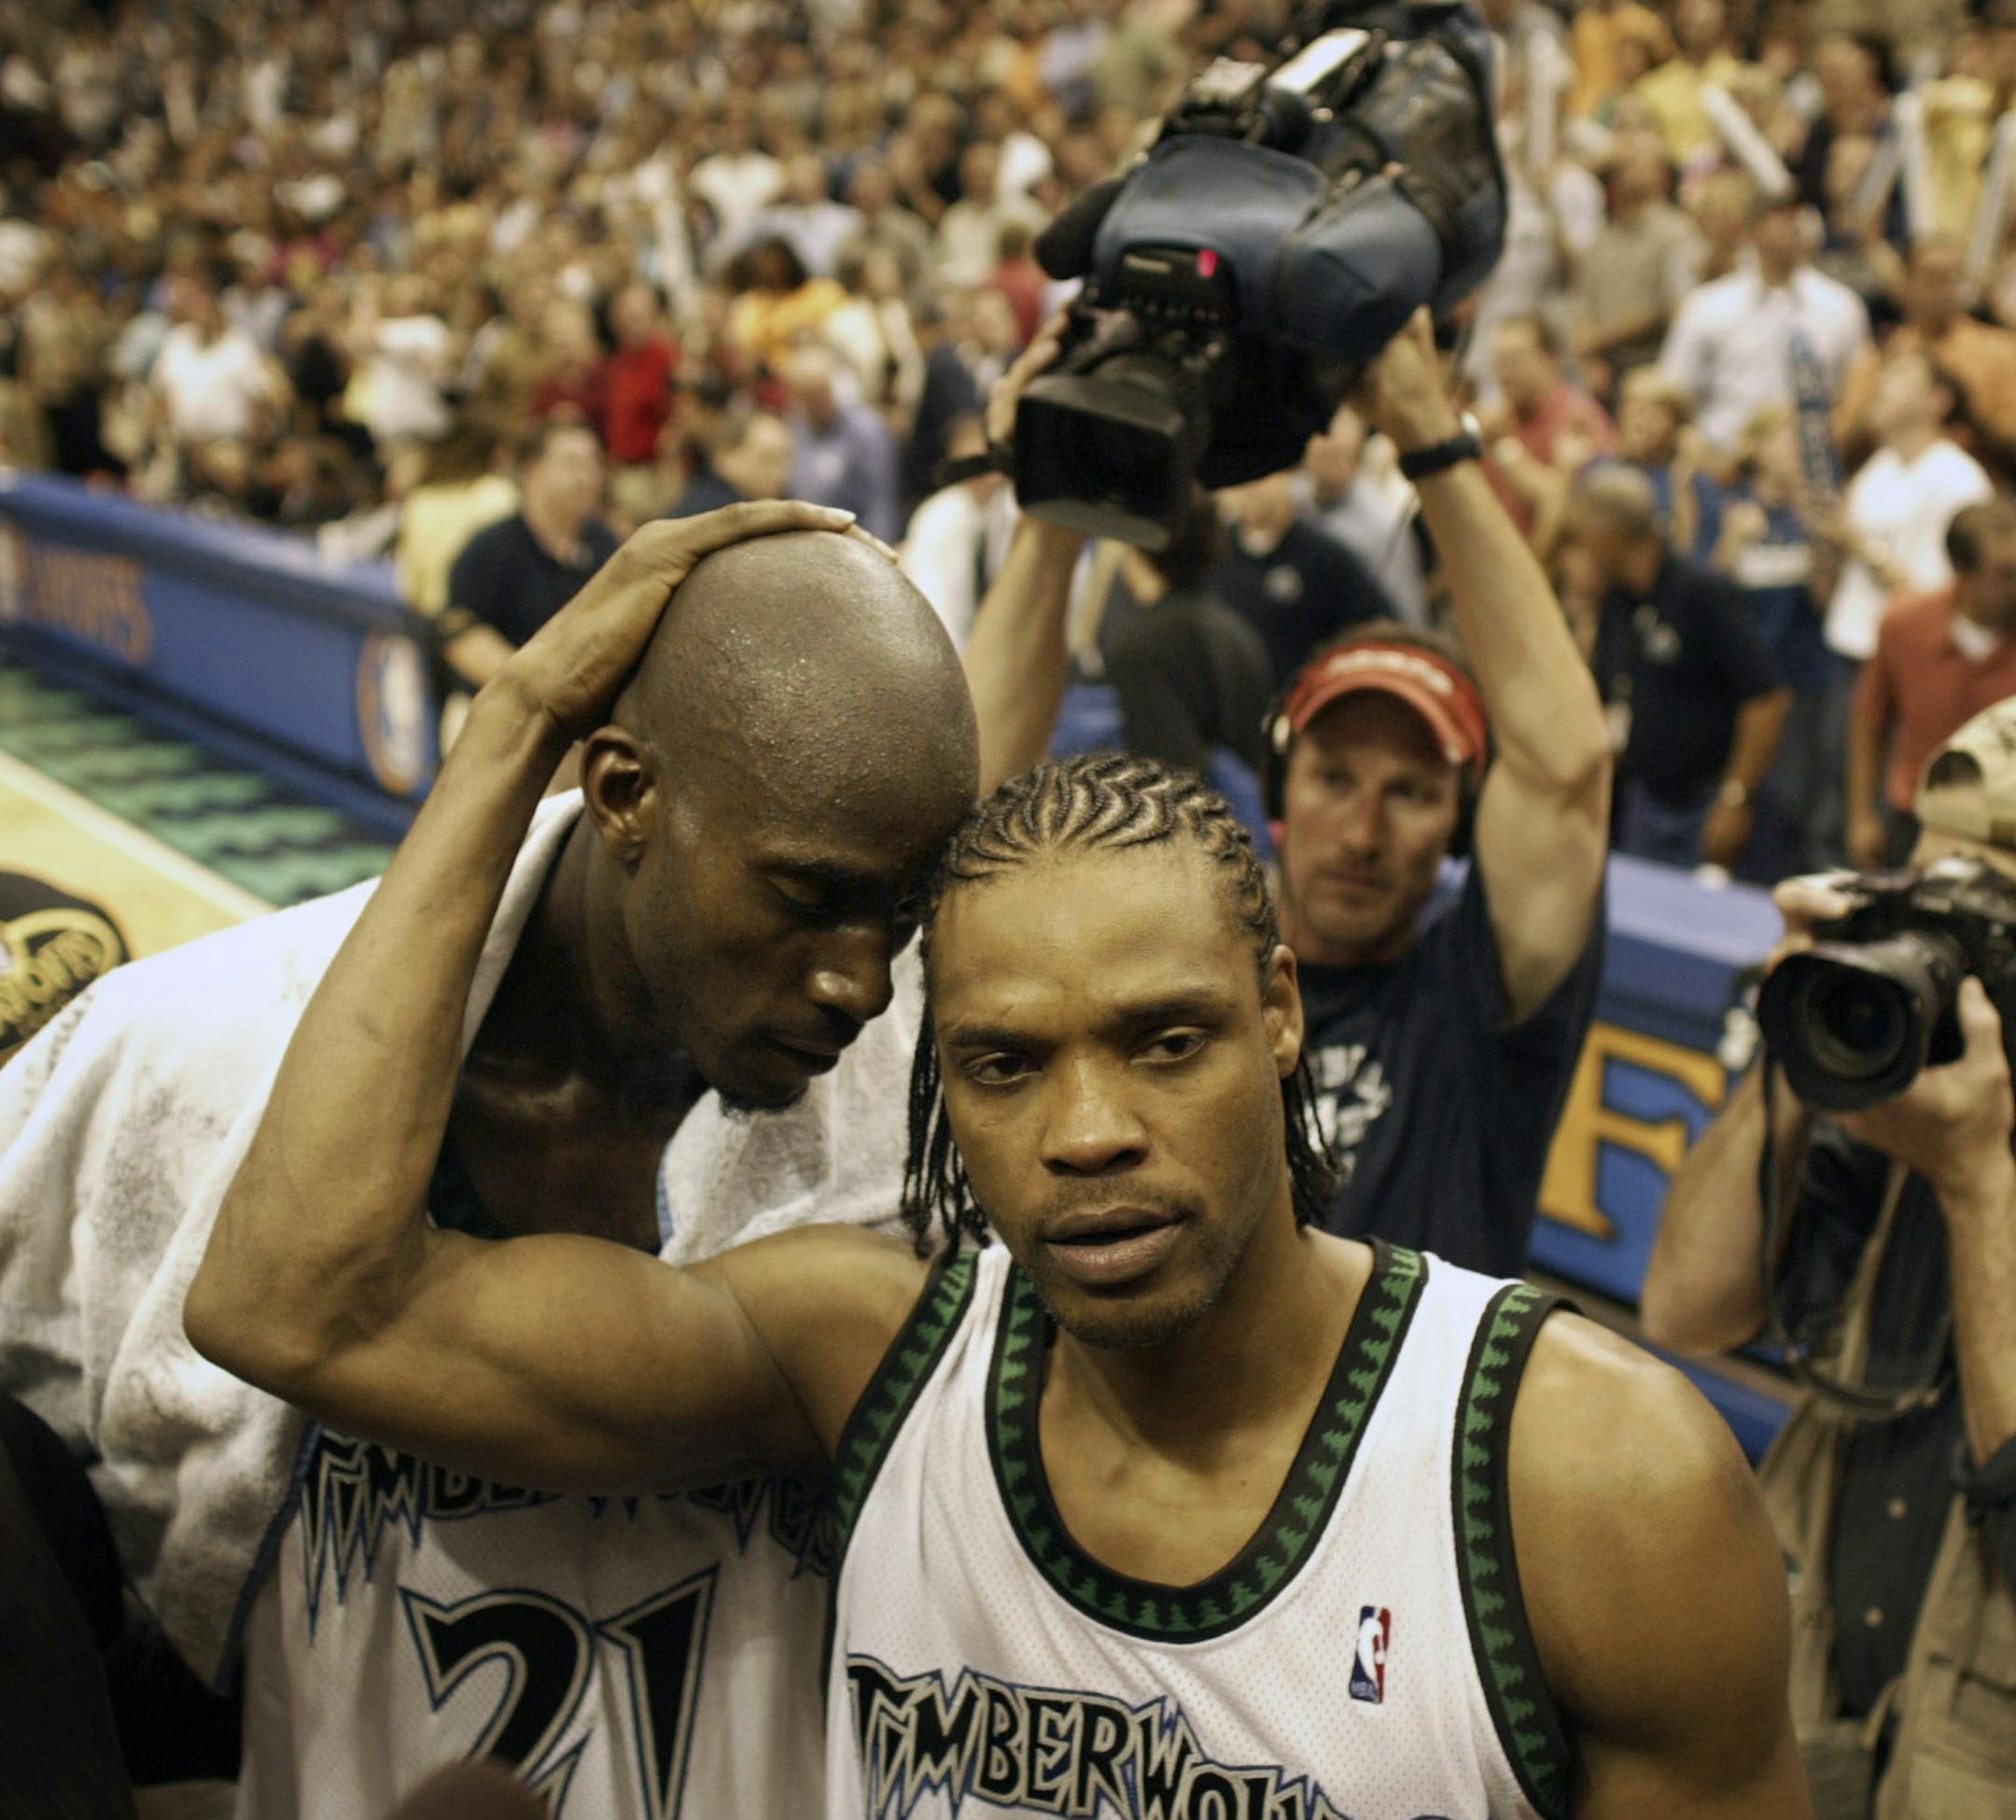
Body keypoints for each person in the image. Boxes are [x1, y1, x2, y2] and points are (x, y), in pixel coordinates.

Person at [180, 576, 1811, 1818]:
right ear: (937, 1080)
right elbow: (294, 1301)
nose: (1088, 1132)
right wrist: (519, 722)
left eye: (1163, 1041)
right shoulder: (866, 1358)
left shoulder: (1589, 1483)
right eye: (1007, 1064)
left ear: (1279, 1012)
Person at [0, 479, 1085, 1817]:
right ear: (623, 790)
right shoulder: (192, 1054)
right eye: (808, 899)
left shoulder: (937, 1100)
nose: (861, 979)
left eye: (903, 914)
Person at [1642, 700, 2016, 1811]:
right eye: (1941, 905)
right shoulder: (1916, 1091)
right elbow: (1687, 1308)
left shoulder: (1957, 1144)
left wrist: (1978, 1186)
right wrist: (1802, 1040)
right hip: (1820, 1725)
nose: (1963, 971)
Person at [1263, 314, 1611, 1278]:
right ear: (1279, 787)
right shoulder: (1201, 988)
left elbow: (1566, 767)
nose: (1362, 833)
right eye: (1335, 778)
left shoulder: (1469, 1010)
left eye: (1412, 793)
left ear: (1461, 827)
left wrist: (1429, 433)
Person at [1569, 464, 1793, 873]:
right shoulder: (1619, 599)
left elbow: (1768, 699)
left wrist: (1736, 798)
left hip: (1707, 802)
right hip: (1645, 802)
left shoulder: (1702, 593)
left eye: (1582, 533)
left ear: (1612, 534)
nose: (1579, 546)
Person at [1848, 499, 2016, 867]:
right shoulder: (1904, 626)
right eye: (2006, 575)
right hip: (1918, 819)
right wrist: (1861, 816)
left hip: (2007, 831)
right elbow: (1870, 718)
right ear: (1962, 571)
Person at [1660, 186, 1870, 457]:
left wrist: (1830, 450)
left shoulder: (1840, 305)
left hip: (1807, 457)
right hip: (1720, 455)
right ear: (1752, 230)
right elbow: (1672, 390)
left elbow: (1859, 385)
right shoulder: (1706, 306)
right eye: (1781, 217)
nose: (1793, 226)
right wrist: (1701, 453)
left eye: (1797, 217)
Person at [440, 419, 621, 690]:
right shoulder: (491, 548)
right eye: (572, 464)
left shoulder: (606, 544)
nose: (585, 478)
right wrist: (534, 687)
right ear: (532, 470)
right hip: (507, 696)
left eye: (593, 464)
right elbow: (461, 636)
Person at [1211, 469, 1392, 689]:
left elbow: (1377, 622)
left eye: (1263, 478)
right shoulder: (1217, 553)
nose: (1253, 490)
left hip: (1301, 698)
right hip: (1235, 698)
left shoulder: (1324, 556)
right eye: (1244, 482)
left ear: (1288, 478)